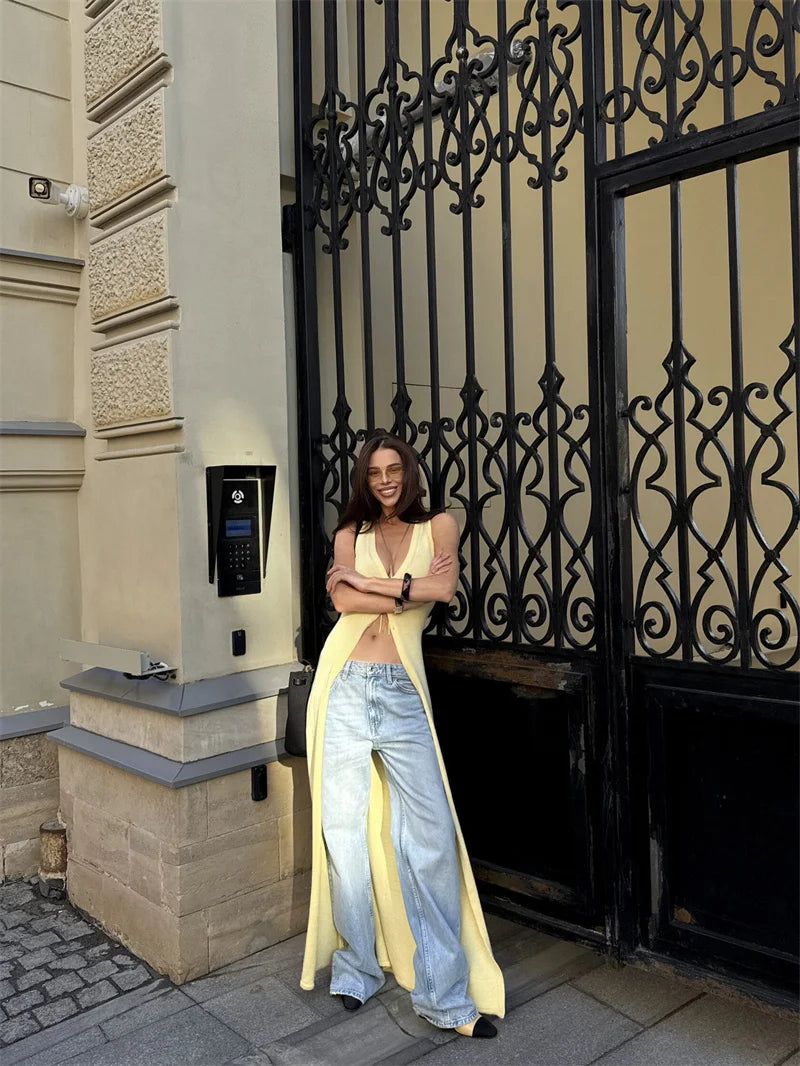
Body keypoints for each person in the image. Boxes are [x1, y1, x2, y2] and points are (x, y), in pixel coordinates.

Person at [298, 432, 505, 1038]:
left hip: (402, 692)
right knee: (343, 831)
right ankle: (357, 968)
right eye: (373, 472)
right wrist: (402, 588)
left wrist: (376, 588)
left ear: (409, 473)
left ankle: (445, 995)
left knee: (430, 836)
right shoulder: (349, 536)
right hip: (341, 684)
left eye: (394, 469)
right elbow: (340, 606)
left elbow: (443, 590)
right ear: (363, 481)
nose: (384, 479)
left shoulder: (439, 525)